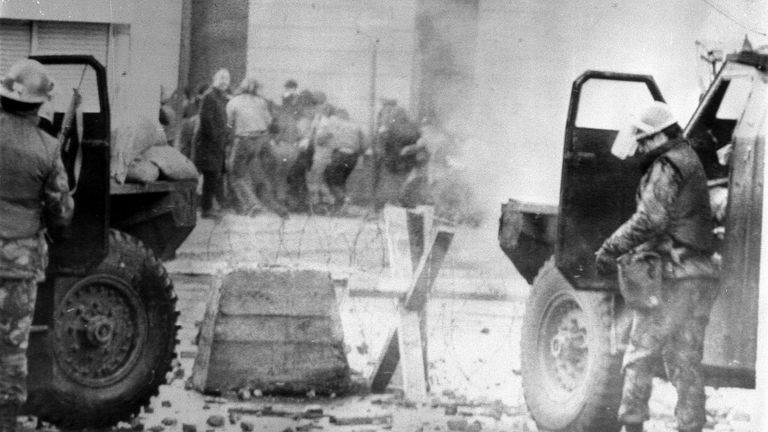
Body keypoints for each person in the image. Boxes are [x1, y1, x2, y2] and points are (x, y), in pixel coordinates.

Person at [594, 102, 717, 432]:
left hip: (673, 278)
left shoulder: (667, 165)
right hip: (699, 276)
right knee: (685, 360)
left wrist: (609, 249)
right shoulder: (690, 159)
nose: (642, 147)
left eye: (645, 139)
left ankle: (632, 425)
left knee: (639, 354)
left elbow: (650, 219)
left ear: (662, 135)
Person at [0, 59, 74, 431]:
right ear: (40, 103)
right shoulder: (45, 148)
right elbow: (60, 212)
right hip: (16, 263)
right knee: (11, 349)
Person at [225, 77, 287, 217]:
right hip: (260, 140)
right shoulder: (261, 102)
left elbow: (228, 124)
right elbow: (269, 122)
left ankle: (253, 204)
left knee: (236, 175)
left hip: (243, 139)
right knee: (252, 172)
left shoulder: (234, 102)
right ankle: (272, 206)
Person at [194, 69, 230, 219]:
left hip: (217, 144)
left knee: (214, 176)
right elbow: (206, 121)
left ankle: (208, 208)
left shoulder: (221, 97)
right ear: (214, 79)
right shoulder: (209, 96)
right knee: (209, 175)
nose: (224, 82)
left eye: (226, 79)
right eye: (221, 78)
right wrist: (216, 137)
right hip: (208, 143)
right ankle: (205, 209)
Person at [374, 98, 421, 211]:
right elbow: (418, 142)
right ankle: (396, 207)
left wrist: (382, 154)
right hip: (406, 161)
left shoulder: (390, 126)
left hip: (393, 160)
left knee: (389, 185)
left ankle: (385, 208)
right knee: (400, 184)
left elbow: (384, 142)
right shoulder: (413, 126)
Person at [315, 108, 367, 210]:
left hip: (340, 154)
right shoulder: (356, 126)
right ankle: (339, 205)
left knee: (328, 177)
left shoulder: (334, 124)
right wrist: (357, 151)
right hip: (353, 157)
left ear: (338, 116)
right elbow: (365, 144)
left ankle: (342, 199)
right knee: (340, 180)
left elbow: (320, 140)